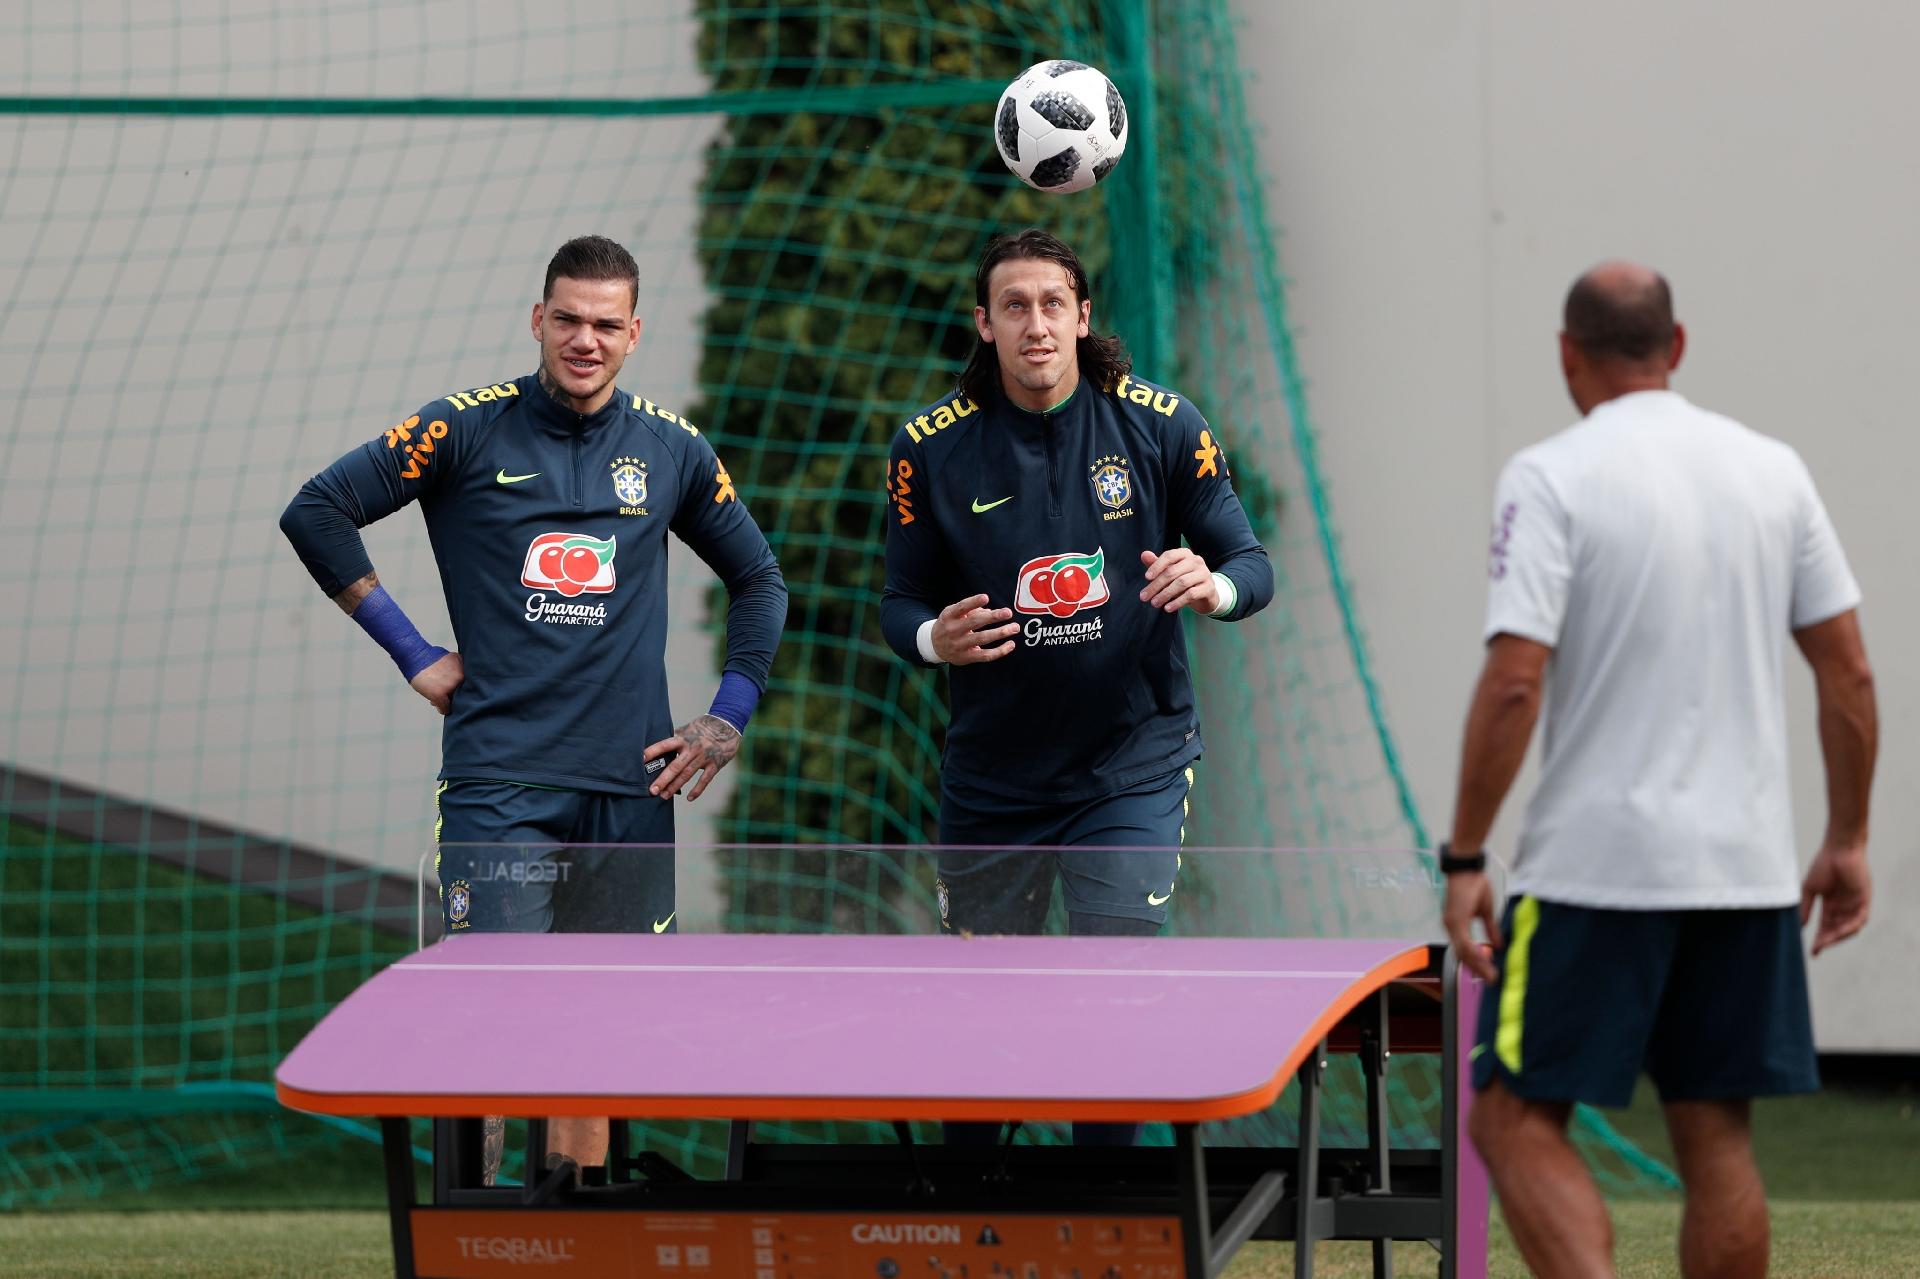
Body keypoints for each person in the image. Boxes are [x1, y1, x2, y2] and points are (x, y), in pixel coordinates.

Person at [280, 234, 787, 1180]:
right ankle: (473, 1237)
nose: (584, 340)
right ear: (537, 321)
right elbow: (317, 510)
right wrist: (414, 651)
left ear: (635, 333)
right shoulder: (464, 429)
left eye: (605, 324)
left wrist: (728, 715)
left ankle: (575, 1228)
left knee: (599, 1037)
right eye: (567, 320)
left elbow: (761, 579)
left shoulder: (672, 450)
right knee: (487, 1020)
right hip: (500, 784)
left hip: (629, 789)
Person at [1441, 262, 1875, 1278]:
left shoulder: (1550, 474)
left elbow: (1514, 681)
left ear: (1566, 356)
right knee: (1715, 1136)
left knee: (1508, 1116)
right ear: (1676, 348)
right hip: (1747, 871)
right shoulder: (1775, 470)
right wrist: (1847, 838)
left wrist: (1465, 852)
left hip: (1599, 868)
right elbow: (1847, 671)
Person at [881, 228, 1273, 1144]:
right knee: (981, 1032)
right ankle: (985, 1222)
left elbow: (1250, 562)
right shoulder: (927, 449)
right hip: (993, 778)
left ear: (1084, 315)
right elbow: (900, 603)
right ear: (983, 323)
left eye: (1053, 303)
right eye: (1013, 306)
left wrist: (1208, 585)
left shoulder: (1164, 424)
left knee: (1115, 993)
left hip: (1129, 764)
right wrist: (935, 639)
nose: (1036, 325)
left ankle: (1112, 1221)